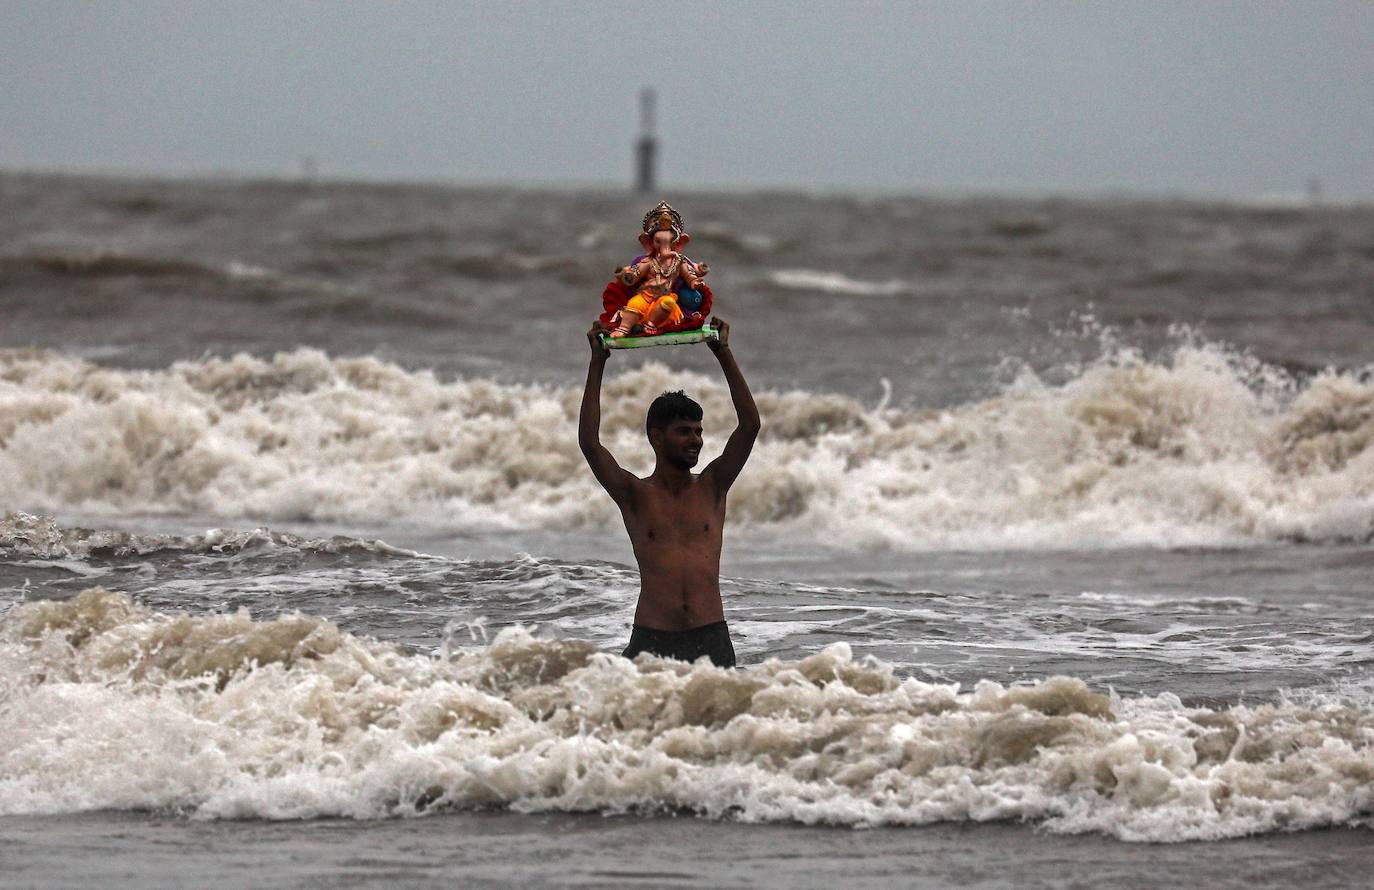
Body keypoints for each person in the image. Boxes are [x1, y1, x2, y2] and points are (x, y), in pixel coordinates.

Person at [579, 317, 760, 667]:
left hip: (711, 636)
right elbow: (589, 443)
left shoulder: (713, 486)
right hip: (652, 638)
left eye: (698, 431)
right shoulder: (635, 495)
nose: (696, 440)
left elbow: (750, 425)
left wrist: (722, 351)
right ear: (657, 437)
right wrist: (598, 362)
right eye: (684, 432)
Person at [608, 202, 710, 337]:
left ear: (677, 243)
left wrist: (694, 283)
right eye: (658, 241)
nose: (664, 247)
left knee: (667, 303)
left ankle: (651, 323)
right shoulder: (649, 262)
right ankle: (624, 328)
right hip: (646, 295)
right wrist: (626, 276)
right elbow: (636, 274)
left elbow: (690, 275)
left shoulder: (679, 262)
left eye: (670, 241)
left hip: (665, 298)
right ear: (650, 243)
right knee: (634, 303)